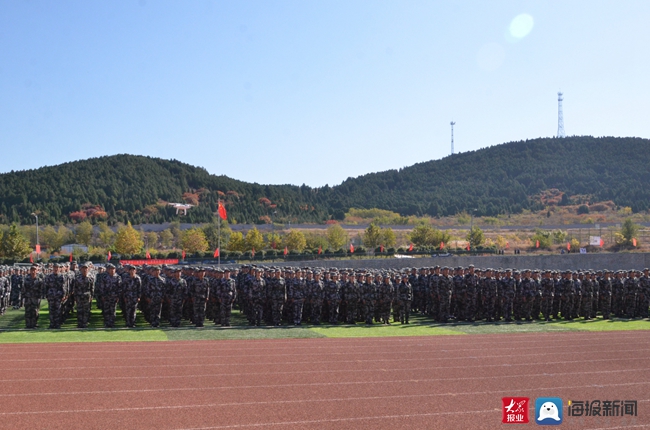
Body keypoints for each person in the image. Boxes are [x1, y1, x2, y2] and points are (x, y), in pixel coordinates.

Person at [72, 263, 94, 328]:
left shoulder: (90, 278)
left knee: (86, 311)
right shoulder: (77, 278)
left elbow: (92, 288)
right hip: (79, 296)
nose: (84, 270)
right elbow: (75, 288)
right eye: (83, 268)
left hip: (87, 297)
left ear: (88, 269)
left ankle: (84, 323)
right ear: (81, 269)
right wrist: (75, 297)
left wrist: (91, 296)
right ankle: (79, 323)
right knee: (79, 310)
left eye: (86, 268)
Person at [23, 264, 43, 329]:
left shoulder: (39, 280)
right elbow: (23, 289)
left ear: (37, 271)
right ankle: (28, 325)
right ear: (30, 271)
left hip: (35, 298)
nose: (33, 271)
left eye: (34, 270)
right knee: (28, 312)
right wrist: (24, 297)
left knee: (35, 312)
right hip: (28, 298)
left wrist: (39, 298)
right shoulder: (26, 279)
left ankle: (34, 324)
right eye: (32, 270)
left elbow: (41, 289)